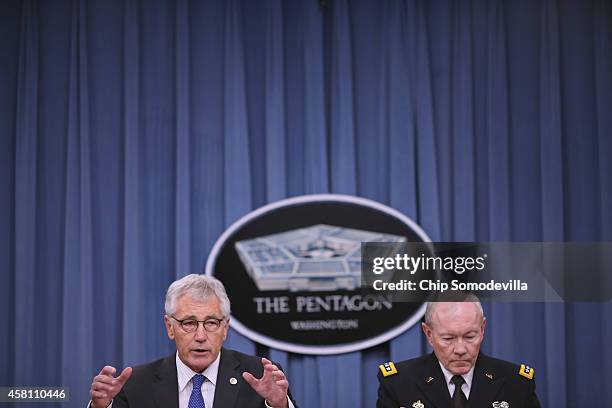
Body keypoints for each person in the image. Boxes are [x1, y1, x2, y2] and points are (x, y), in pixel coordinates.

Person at [89, 274, 297, 408]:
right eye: (188, 323)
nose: (200, 336)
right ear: (170, 327)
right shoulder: (136, 383)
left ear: (224, 328)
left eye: (211, 323)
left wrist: (279, 406)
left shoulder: (259, 377)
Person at [377, 295, 540, 408]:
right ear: (429, 334)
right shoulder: (398, 383)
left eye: (470, 336)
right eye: (448, 338)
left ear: (482, 329)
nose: (460, 349)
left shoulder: (517, 383)